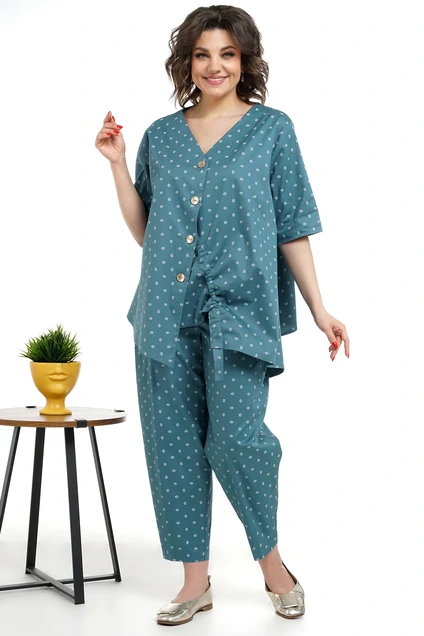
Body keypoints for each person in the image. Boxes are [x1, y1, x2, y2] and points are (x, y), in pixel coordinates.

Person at [95, 4, 350, 626]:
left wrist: (319, 307)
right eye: (202, 54)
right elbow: (148, 232)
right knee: (174, 447)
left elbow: (292, 225)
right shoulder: (161, 135)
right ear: (186, 63)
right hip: (163, 311)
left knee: (238, 440)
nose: (215, 66)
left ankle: (274, 567)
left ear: (245, 61)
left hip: (241, 310)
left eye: (227, 54)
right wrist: (118, 164)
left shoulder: (272, 130)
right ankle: (194, 583)